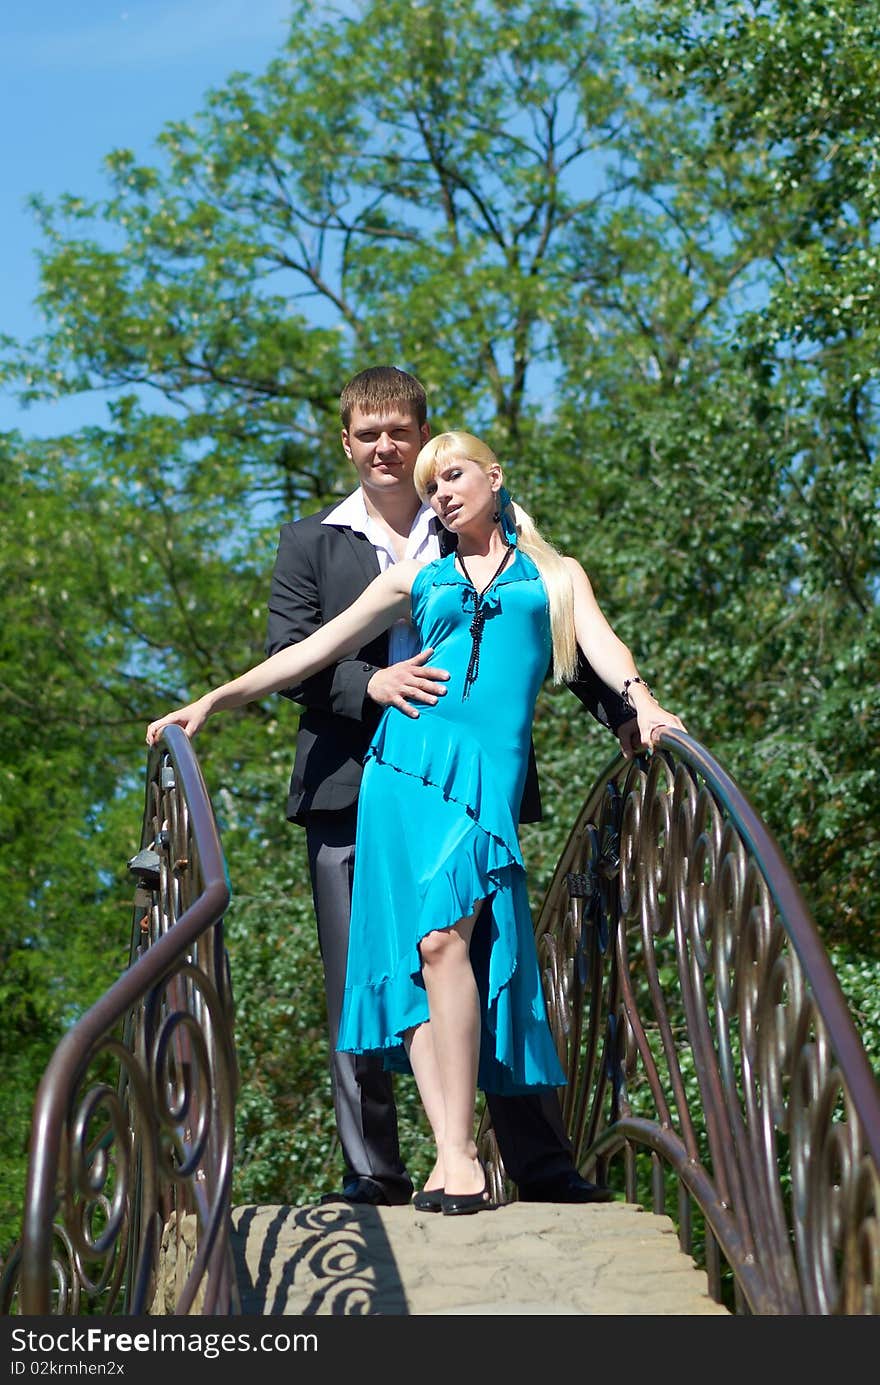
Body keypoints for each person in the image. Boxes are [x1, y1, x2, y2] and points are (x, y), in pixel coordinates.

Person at [146, 426, 686, 1216]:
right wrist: (211, 702)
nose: (442, 492)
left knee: (444, 940)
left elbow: (603, 647)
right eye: (434, 485)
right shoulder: (417, 575)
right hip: (402, 773)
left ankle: (461, 1156)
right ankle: (454, 1156)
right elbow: (308, 653)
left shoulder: (555, 574)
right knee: (427, 954)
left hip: (479, 781)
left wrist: (643, 704)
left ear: (495, 476)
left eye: (455, 474)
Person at [262, 367, 639, 1209]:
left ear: (427, 437)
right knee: (367, 971)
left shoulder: (467, 520)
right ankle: (376, 1171)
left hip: (466, 782)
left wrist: (627, 712)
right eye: (369, 434)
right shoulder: (311, 542)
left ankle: (537, 1163)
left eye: (401, 432)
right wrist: (372, 688)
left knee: (493, 954)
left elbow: (546, 626)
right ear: (348, 444)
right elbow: (297, 656)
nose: (387, 448)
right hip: (353, 785)